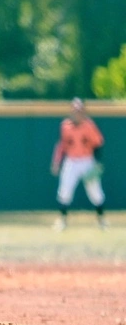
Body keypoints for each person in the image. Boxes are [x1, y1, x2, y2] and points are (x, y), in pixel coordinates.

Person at [50, 97, 107, 231]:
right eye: (75, 110)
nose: (77, 112)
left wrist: (98, 163)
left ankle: (102, 220)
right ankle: (62, 221)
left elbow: (98, 144)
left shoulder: (89, 125)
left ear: (84, 111)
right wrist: (57, 162)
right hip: (71, 161)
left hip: (87, 160)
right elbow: (62, 145)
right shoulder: (65, 125)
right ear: (71, 111)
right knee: (65, 190)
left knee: (95, 191)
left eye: (80, 110)